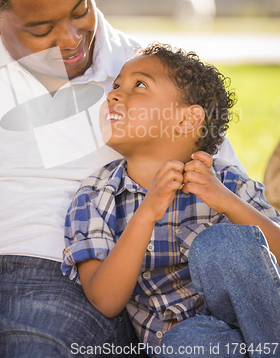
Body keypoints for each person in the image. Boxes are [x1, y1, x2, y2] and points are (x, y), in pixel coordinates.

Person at [0, 0, 242, 357]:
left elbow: (231, 195)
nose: (70, 39)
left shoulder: (146, 77)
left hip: (53, 279)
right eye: (41, 28)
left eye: (80, 9)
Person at [62, 43, 280, 358]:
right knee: (187, 338)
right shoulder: (96, 196)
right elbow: (105, 301)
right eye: (116, 85)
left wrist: (229, 203)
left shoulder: (226, 182)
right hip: (194, 347)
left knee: (221, 244)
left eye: (139, 85)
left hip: (264, 329)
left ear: (186, 121)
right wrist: (146, 213)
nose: (114, 94)